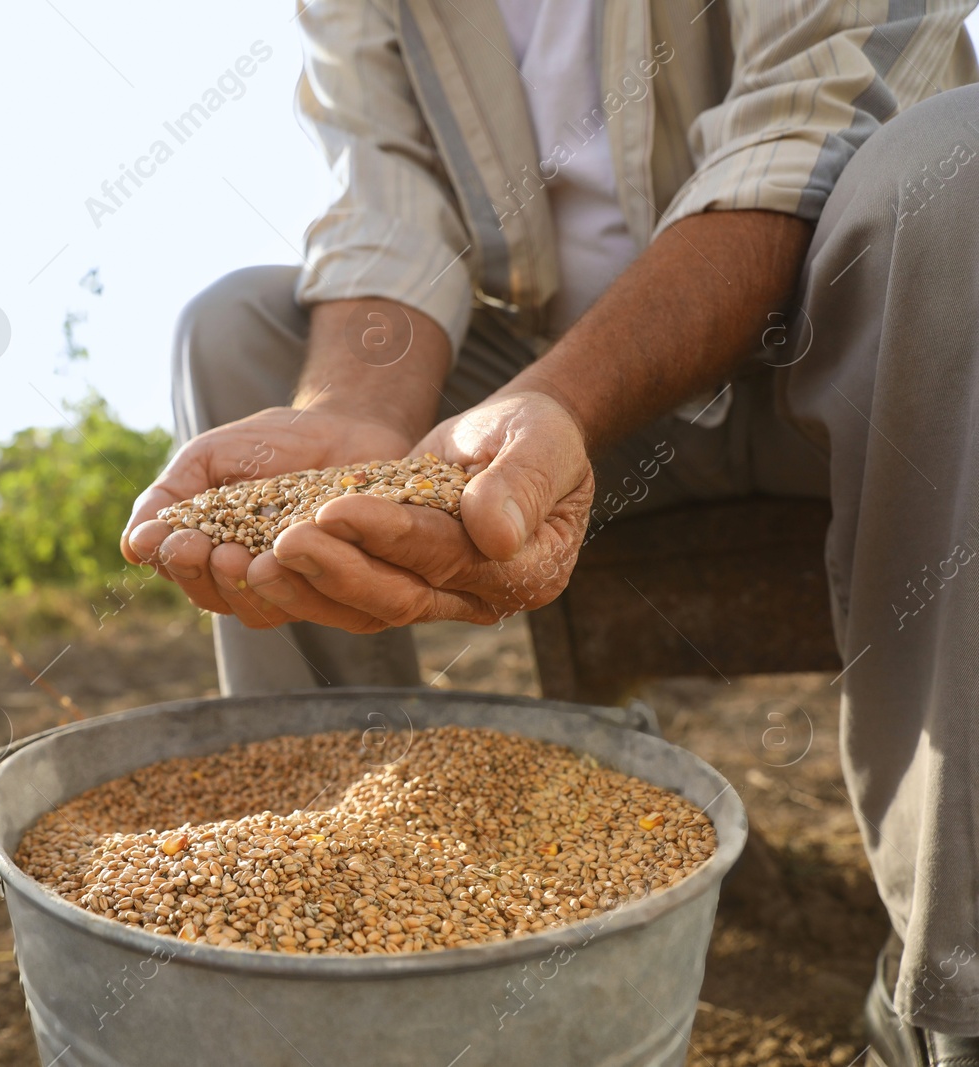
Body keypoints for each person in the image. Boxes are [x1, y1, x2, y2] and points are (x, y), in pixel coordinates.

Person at [120, 2, 979, 1063]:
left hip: (842, 353)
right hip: (552, 399)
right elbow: (386, 209)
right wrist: (351, 423)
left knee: (962, 162)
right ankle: (336, 882)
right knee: (235, 326)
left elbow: (807, 131)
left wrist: (559, 401)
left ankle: (954, 982)